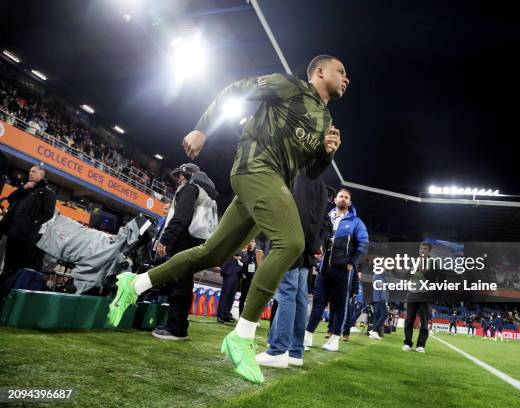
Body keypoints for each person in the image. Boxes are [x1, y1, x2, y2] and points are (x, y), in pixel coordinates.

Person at [107, 54, 348, 384]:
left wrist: (325, 154)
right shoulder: (289, 85)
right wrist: (202, 128)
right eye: (341, 71)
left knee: (212, 253)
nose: (346, 78)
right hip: (255, 168)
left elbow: (310, 169)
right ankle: (242, 336)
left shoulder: (325, 118)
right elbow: (237, 89)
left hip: (273, 181)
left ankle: (135, 284)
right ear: (320, 72)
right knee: (292, 242)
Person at [256, 171, 328, 368]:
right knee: (298, 296)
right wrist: (313, 245)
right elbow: (318, 219)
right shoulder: (318, 179)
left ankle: (278, 350)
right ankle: (295, 351)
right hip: (304, 246)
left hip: (290, 241)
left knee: (286, 293)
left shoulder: (301, 173)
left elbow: (302, 212)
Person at [151, 163, 219, 341]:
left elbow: (180, 218)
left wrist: (165, 239)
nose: (178, 179)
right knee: (184, 284)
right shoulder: (206, 192)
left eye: (180, 175)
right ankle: (179, 326)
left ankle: (175, 329)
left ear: (188, 174)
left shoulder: (191, 188)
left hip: (183, 240)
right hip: (197, 241)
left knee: (180, 285)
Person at [305, 188, 369, 352]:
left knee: (340, 306)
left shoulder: (356, 222)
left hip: (343, 270)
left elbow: (363, 244)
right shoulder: (326, 217)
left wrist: (352, 263)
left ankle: (334, 339)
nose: (343, 199)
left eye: (346, 197)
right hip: (324, 268)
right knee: (318, 303)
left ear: (349, 202)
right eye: (341, 196)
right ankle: (307, 336)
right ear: (335, 199)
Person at [0, 165, 56, 290]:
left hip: (25, 236)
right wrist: (24, 188)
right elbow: (10, 199)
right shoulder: (26, 188)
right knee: (8, 264)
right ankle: (4, 287)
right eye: (30, 171)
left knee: (18, 266)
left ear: (41, 175)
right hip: (12, 232)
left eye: (34, 172)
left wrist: (31, 223)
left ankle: (12, 290)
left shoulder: (47, 193)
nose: (30, 173)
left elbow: (48, 213)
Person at [402, 242, 435, 353]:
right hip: (412, 293)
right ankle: (407, 343)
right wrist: (410, 270)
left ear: (429, 251)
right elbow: (404, 276)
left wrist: (426, 273)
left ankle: (421, 345)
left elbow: (436, 279)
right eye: (421, 248)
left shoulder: (433, 262)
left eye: (425, 249)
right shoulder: (413, 261)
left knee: (424, 322)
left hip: (425, 294)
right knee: (409, 320)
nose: (422, 251)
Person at [217, 252, 244, 323]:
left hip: (237, 274)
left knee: (231, 297)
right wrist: (237, 256)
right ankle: (220, 315)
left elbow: (244, 258)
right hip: (229, 272)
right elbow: (234, 253)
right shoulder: (236, 245)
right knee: (225, 295)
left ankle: (226, 314)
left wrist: (239, 257)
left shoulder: (244, 250)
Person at [238, 239, 261, 316]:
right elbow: (240, 264)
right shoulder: (244, 252)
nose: (251, 243)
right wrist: (242, 274)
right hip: (246, 279)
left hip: (255, 279)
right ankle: (240, 315)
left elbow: (260, 265)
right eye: (250, 241)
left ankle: (252, 317)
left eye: (253, 241)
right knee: (243, 297)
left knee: (253, 299)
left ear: (255, 243)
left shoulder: (258, 253)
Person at [368, 268, 388, 340]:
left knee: (378, 315)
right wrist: (384, 300)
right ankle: (374, 330)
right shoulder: (378, 276)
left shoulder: (379, 276)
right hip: (380, 299)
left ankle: (373, 333)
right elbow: (381, 288)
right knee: (385, 314)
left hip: (378, 299)